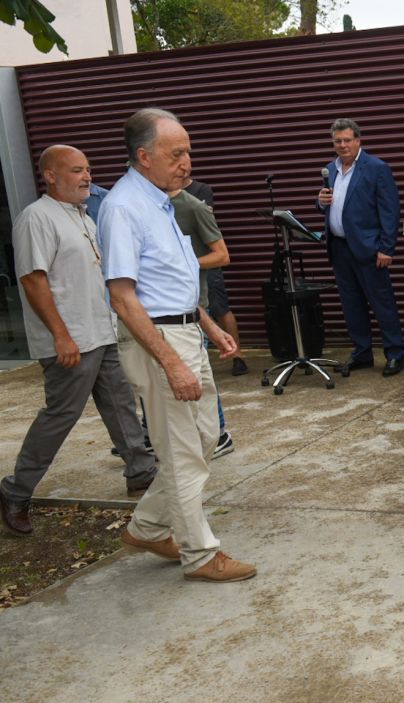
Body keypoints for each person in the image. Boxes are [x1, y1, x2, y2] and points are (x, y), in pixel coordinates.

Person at [98, 107, 255, 583]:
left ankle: (147, 527)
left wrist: (207, 324)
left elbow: (170, 281)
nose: (187, 161)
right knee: (183, 450)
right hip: (159, 340)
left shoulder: (163, 201)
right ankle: (201, 554)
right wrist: (170, 362)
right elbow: (124, 298)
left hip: (184, 330)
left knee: (206, 438)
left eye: (188, 151)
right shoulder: (124, 208)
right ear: (144, 156)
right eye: (177, 153)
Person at [0, 146, 157, 536]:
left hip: (100, 330)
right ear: (50, 176)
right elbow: (33, 280)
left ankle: (141, 472)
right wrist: (60, 335)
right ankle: (16, 491)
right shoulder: (36, 218)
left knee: (121, 402)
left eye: (87, 170)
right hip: (70, 341)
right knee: (62, 415)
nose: (86, 177)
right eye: (75, 171)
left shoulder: (83, 216)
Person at [316, 118, 404, 376]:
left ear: (358, 140)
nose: (342, 145)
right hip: (340, 248)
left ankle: (395, 353)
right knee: (351, 305)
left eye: (347, 140)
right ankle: (362, 352)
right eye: (338, 141)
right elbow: (331, 205)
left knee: (382, 303)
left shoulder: (376, 168)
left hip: (369, 249)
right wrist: (320, 202)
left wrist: (387, 248)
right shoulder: (329, 169)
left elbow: (390, 211)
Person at [170, 177, 234, 457]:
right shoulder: (145, 207)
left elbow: (221, 256)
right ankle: (152, 432)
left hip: (194, 302)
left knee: (199, 376)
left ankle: (218, 434)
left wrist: (183, 265)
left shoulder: (193, 204)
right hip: (164, 307)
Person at [184, 180, 247, 377]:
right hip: (183, 264)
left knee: (220, 307)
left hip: (207, 260)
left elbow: (204, 214)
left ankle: (237, 355)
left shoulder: (201, 190)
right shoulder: (160, 192)